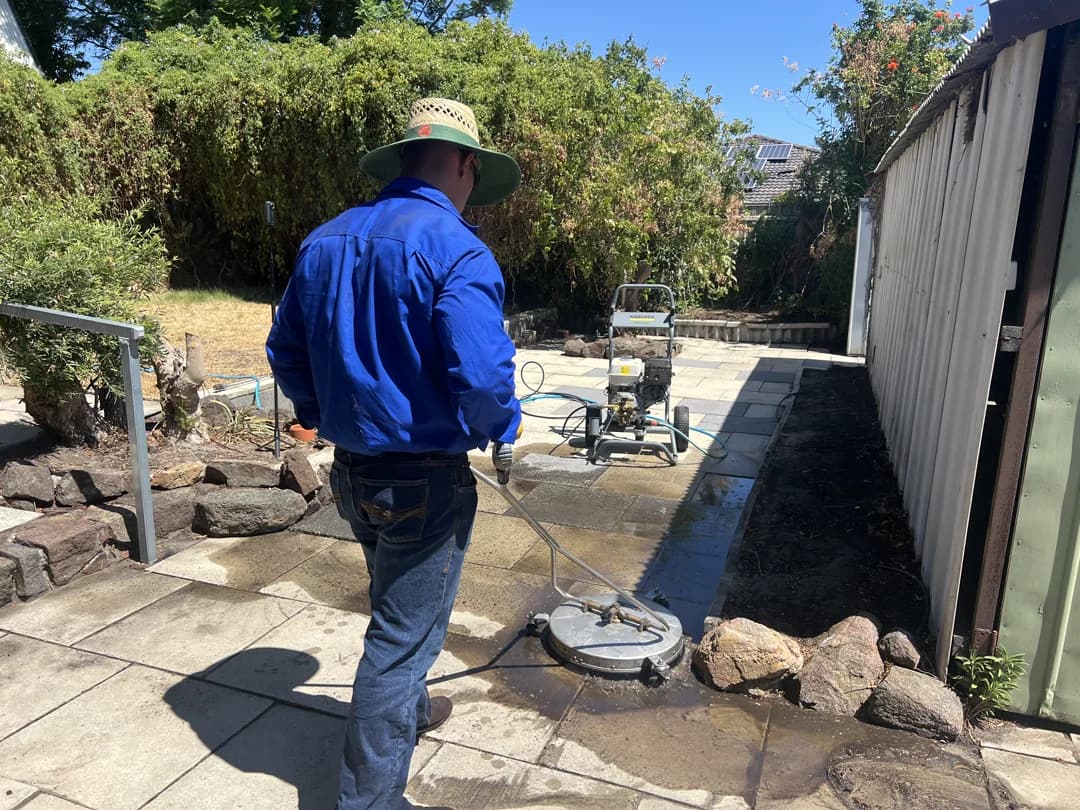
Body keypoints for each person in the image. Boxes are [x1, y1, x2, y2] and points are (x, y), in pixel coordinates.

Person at [266, 97, 523, 810]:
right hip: (426, 482)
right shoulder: (458, 249)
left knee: (396, 603)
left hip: (353, 473)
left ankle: (407, 713)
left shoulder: (324, 241)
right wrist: (503, 423)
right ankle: (370, 801)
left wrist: (322, 415)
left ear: (403, 160)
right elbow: (480, 378)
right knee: (401, 639)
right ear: (468, 165)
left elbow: (285, 348)